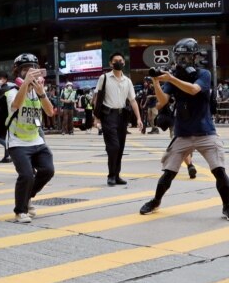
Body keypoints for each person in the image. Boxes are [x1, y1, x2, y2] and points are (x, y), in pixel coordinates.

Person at [140, 38, 229, 218]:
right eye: (180, 56)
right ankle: (156, 201)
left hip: (205, 132)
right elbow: (162, 101)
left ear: (195, 57)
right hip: (183, 133)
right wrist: (157, 82)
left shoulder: (204, 74)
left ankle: (227, 205)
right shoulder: (173, 78)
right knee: (169, 172)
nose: (182, 60)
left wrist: (172, 78)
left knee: (219, 170)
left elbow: (194, 90)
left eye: (186, 56)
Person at [5, 53, 56, 223]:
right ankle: (20, 211)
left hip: (36, 140)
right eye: (25, 70)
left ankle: (27, 196)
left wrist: (41, 93)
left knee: (48, 170)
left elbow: (50, 112)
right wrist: (25, 85)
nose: (29, 72)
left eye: (32, 69)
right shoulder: (11, 91)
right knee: (26, 175)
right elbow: (16, 105)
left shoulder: (38, 91)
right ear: (17, 72)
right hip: (17, 142)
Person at [93, 52, 143, 186]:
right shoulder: (104, 78)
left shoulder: (128, 81)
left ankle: (117, 175)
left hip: (122, 116)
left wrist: (139, 118)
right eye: (115, 61)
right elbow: (97, 98)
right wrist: (96, 118)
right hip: (108, 115)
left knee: (120, 147)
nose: (118, 62)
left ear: (124, 63)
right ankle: (111, 175)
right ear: (111, 63)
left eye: (121, 60)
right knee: (113, 147)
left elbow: (132, 100)